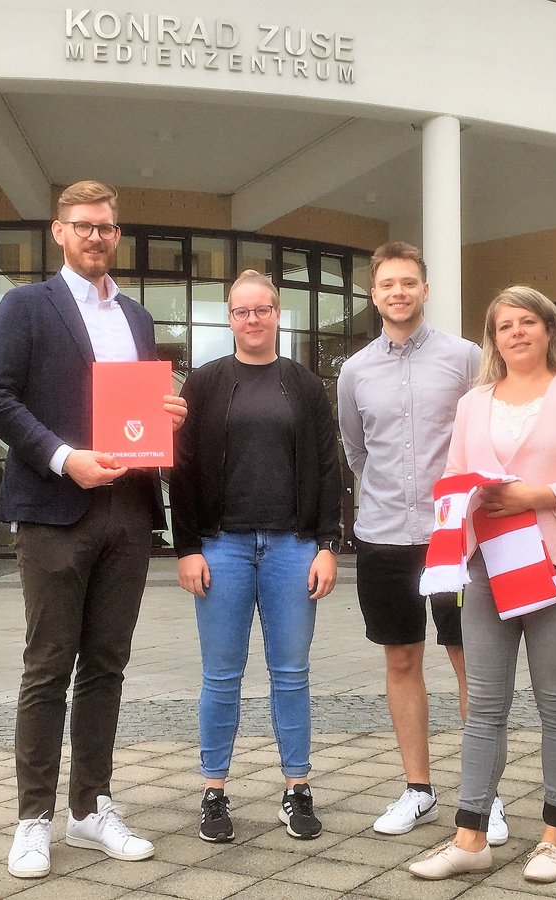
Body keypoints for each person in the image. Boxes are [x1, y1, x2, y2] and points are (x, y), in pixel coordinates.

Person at [0, 180, 187, 879]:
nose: (97, 236)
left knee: (106, 665)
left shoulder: (137, 316)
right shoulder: (25, 306)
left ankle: (91, 808)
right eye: (84, 226)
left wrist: (168, 418)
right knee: (47, 667)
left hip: (127, 512)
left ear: (117, 235)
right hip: (56, 511)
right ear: (59, 232)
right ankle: (32, 818)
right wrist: (65, 458)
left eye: (107, 226)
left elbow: (139, 410)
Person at [408, 285, 556, 884]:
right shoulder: (474, 403)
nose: (517, 333)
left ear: (549, 329)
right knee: (484, 707)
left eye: (528, 322)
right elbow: (453, 474)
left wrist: (540, 495)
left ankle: (553, 836)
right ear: (493, 339)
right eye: (505, 326)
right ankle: (470, 836)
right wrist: (457, 508)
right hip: (488, 567)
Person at [337, 241, 510, 843]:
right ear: (374, 293)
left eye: (408, 283)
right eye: (387, 284)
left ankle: (483, 796)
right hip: (384, 536)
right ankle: (418, 791)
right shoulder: (355, 370)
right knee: (402, 658)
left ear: (425, 289)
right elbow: (357, 451)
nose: (398, 293)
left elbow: (486, 432)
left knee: (470, 663)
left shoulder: (465, 359)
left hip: (456, 539)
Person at [172, 269, 342, 843]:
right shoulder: (205, 383)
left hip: (293, 549)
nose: (253, 319)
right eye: (242, 311)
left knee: (291, 675)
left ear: (277, 314)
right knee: (221, 677)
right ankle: (214, 793)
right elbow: (184, 469)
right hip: (222, 546)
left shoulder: (305, 385)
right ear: (230, 318)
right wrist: (188, 546)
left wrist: (326, 545)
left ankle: (297, 789)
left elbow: (327, 467)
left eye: (263, 309)